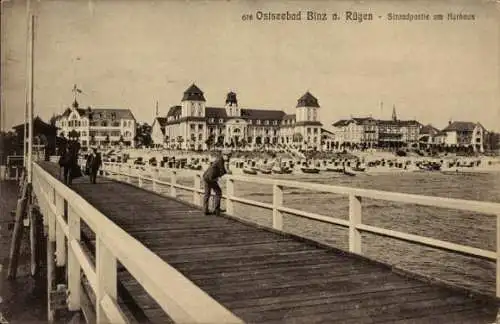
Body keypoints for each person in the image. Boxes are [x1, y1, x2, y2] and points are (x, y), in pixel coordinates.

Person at [203, 151, 231, 216]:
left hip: (206, 176)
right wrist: (228, 171)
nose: (228, 157)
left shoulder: (218, 159)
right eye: (228, 156)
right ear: (224, 155)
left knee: (207, 194)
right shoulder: (220, 161)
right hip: (211, 178)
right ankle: (216, 210)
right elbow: (222, 171)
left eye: (229, 156)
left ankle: (205, 210)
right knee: (218, 192)